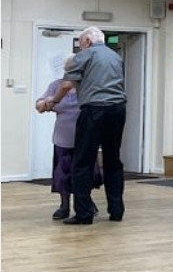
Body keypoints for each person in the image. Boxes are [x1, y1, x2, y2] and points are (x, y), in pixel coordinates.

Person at [41, 27, 127, 226]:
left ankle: (84, 213)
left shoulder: (85, 55)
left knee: (82, 161)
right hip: (118, 109)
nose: (80, 46)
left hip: (94, 110)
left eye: (81, 42)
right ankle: (116, 211)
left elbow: (65, 84)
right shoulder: (116, 57)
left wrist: (53, 102)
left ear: (88, 40)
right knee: (113, 160)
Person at [35, 55, 102, 220]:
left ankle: (86, 203)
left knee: (85, 174)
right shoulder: (55, 86)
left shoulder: (87, 86)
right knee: (63, 174)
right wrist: (46, 103)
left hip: (84, 138)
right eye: (69, 69)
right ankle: (64, 206)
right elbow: (39, 104)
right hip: (63, 138)